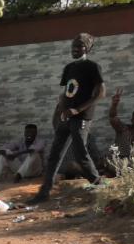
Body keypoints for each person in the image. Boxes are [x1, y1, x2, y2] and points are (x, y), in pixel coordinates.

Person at [27, 33, 105, 204]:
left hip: (81, 116)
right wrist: (62, 109)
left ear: (87, 48)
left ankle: (99, 184)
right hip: (66, 117)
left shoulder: (93, 67)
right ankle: (44, 193)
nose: (75, 50)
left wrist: (77, 110)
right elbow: (65, 93)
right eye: (73, 47)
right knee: (54, 154)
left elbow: (100, 93)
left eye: (79, 47)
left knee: (80, 154)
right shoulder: (69, 68)